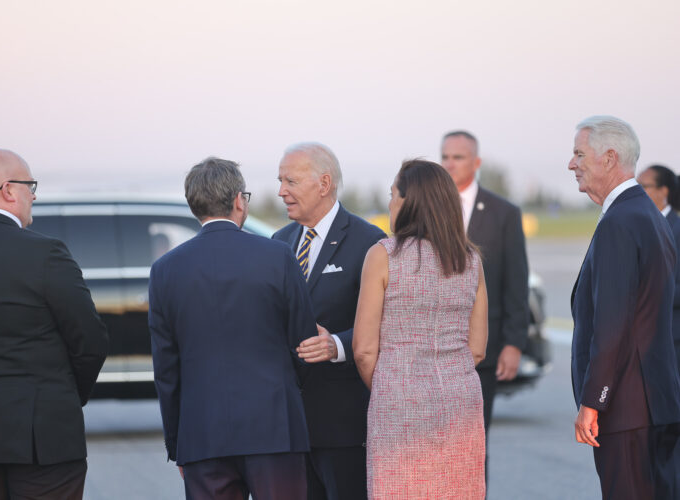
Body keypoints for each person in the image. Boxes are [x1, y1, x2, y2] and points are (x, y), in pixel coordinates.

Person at [0, 148, 109, 499]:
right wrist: (67, 398)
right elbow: (91, 341)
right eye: (31, 186)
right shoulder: (46, 254)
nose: (35, 195)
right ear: (9, 190)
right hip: (42, 438)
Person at [149, 157, 316, 500]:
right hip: (274, 429)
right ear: (239, 200)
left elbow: (166, 368)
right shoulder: (278, 256)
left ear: (194, 204)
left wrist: (178, 442)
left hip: (202, 435)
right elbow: (303, 342)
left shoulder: (165, 270)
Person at [353, 159, 488, 499]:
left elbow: (364, 350)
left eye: (393, 195)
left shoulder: (383, 255)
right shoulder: (470, 260)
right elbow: (477, 348)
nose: (389, 203)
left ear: (410, 201)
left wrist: (395, 385)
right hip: (460, 400)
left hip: (398, 400)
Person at [569, 116, 680, 498]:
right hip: (653, 402)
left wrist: (592, 401)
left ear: (609, 158)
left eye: (579, 154)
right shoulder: (646, 215)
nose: (572, 164)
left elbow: (612, 323)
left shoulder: (621, 220)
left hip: (627, 407)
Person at [273, 142, 385, 500]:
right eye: (280, 181)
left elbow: (388, 325)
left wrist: (336, 344)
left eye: (290, 181)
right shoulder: (279, 242)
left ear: (323, 184)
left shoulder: (371, 243)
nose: (281, 191)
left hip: (344, 426)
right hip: (288, 426)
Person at [440, 130, 529, 480]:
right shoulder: (431, 209)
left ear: (475, 163)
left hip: (484, 351)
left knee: (475, 441)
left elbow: (515, 281)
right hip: (437, 348)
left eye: (458, 157)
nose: (449, 163)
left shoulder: (503, 212)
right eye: (445, 156)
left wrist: (513, 342)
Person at [637, 164, 680, 372]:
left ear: (664, 191)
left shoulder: (677, 230)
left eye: (643, 186)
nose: (637, 192)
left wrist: (646, 292)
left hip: (672, 339)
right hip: (644, 339)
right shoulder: (640, 225)